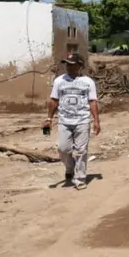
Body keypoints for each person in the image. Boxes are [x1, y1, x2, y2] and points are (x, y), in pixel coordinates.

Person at [43, 53, 101, 190]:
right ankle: (70, 167)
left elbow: (93, 101)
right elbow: (54, 100)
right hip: (64, 121)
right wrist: (48, 118)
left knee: (81, 150)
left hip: (82, 120)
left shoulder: (88, 82)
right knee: (63, 149)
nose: (69, 67)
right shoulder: (59, 81)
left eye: (72, 64)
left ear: (80, 65)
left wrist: (96, 121)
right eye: (67, 64)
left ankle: (80, 178)